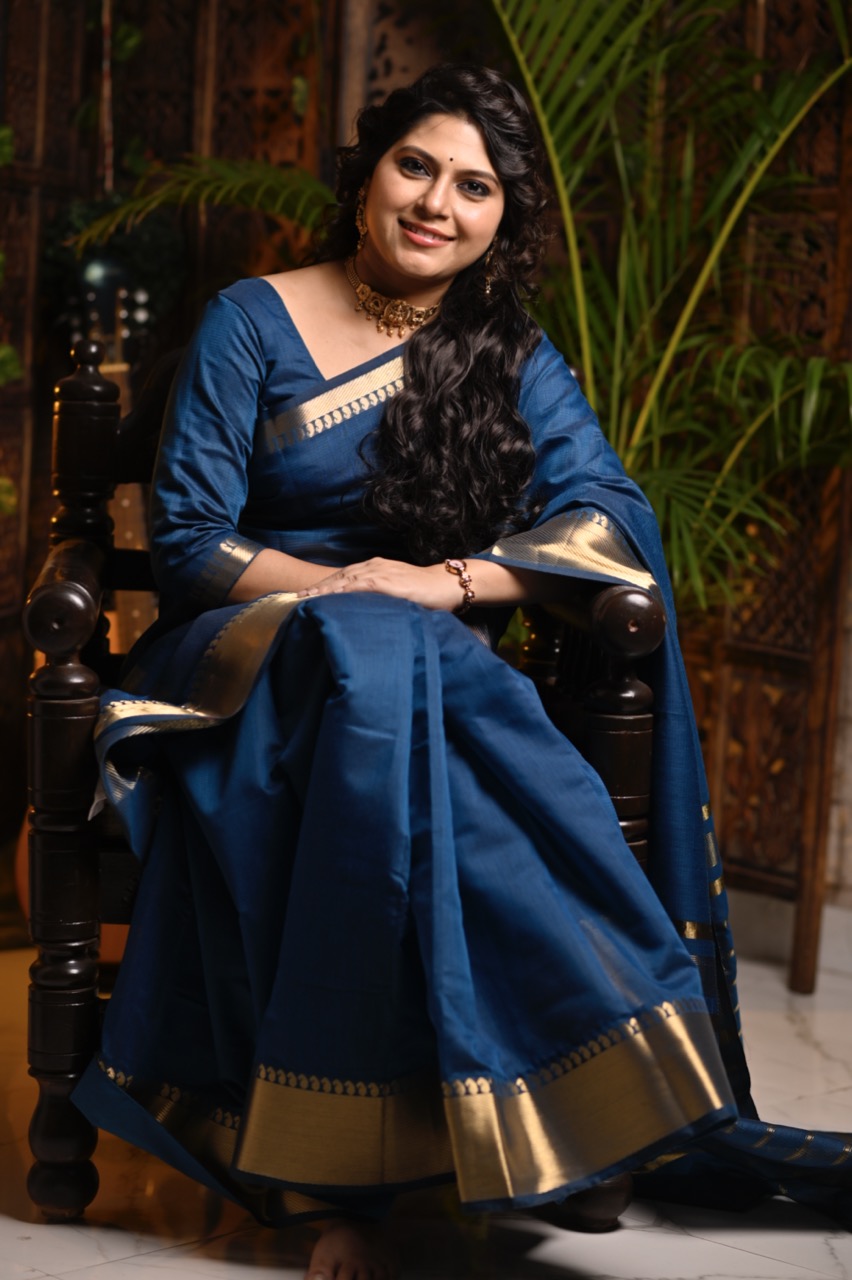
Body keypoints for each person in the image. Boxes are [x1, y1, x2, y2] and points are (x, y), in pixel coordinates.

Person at [74, 64, 850, 1280]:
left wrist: (440, 582)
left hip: (423, 673)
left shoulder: (506, 353)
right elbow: (190, 545)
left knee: (398, 678)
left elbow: (610, 512)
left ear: (503, 218)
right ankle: (362, 1177)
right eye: (417, 166)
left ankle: (544, 1126)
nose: (438, 202)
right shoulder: (251, 319)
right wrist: (346, 591)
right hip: (245, 663)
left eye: (474, 186)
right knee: (369, 657)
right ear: (368, 174)